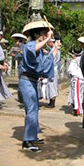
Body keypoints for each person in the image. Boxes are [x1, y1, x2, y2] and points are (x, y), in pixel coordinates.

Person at [18, 20, 55, 152]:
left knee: (33, 109)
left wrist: (52, 50)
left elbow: (44, 66)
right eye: (44, 33)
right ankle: (27, 140)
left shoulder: (40, 48)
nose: (46, 35)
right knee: (32, 110)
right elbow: (32, 50)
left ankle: (32, 135)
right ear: (36, 35)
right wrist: (48, 39)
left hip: (32, 81)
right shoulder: (30, 45)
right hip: (27, 81)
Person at [42, 35, 61, 108]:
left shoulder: (55, 49)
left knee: (52, 86)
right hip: (51, 69)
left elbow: (52, 59)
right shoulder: (53, 49)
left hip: (53, 70)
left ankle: (52, 102)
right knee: (50, 86)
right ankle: (50, 101)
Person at [67, 47, 84, 116]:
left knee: (76, 95)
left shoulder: (74, 61)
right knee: (81, 94)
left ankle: (78, 110)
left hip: (77, 79)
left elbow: (70, 70)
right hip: (83, 79)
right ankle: (79, 109)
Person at [11, 33, 27, 104]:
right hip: (20, 66)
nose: (15, 43)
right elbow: (16, 56)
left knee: (23, 82)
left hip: (24, 66)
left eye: (16, 41)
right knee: (20, 81)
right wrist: (13, 53)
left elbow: (26, 55)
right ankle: (21, 98)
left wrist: (20, 52)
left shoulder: (24, 47)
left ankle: (23, 98)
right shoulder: (17, 48)